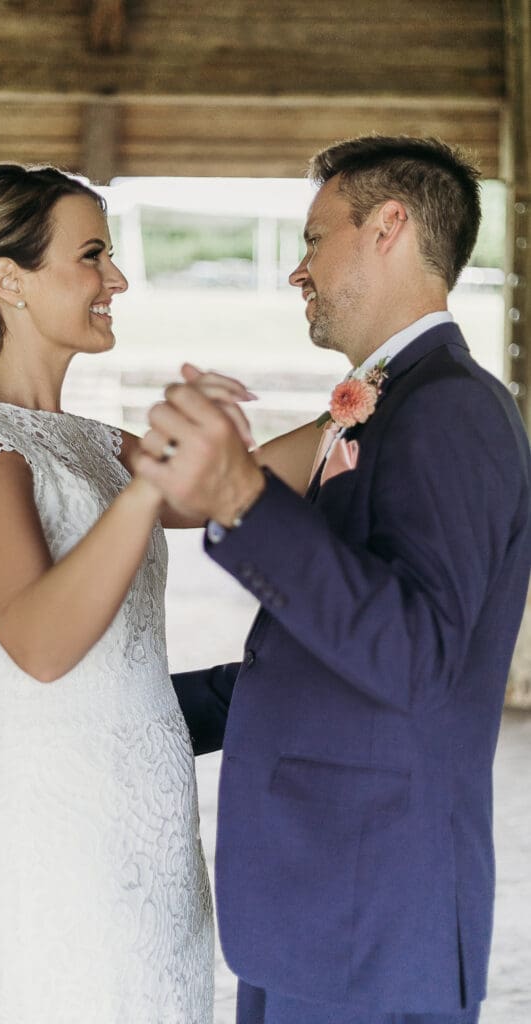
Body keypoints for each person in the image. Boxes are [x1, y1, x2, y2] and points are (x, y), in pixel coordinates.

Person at [134, 136, 531, 1024]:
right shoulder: (388, 397)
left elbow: (417, 659)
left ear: (389, 225)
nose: (296, 272)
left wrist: (242, 493)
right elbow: (332, 654)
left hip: (371, 914)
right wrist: (138, 710)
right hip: (322, 910)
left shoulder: (451, 409)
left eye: (315, 239)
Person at [0, 163, 260, 1023]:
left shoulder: (92, 441)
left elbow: (237, 487)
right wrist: (145, 490)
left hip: (149, 828)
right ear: (9, 280)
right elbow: (39, 645)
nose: (117, 279)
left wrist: (364, 400)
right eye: (92, 254)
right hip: (48, 839)